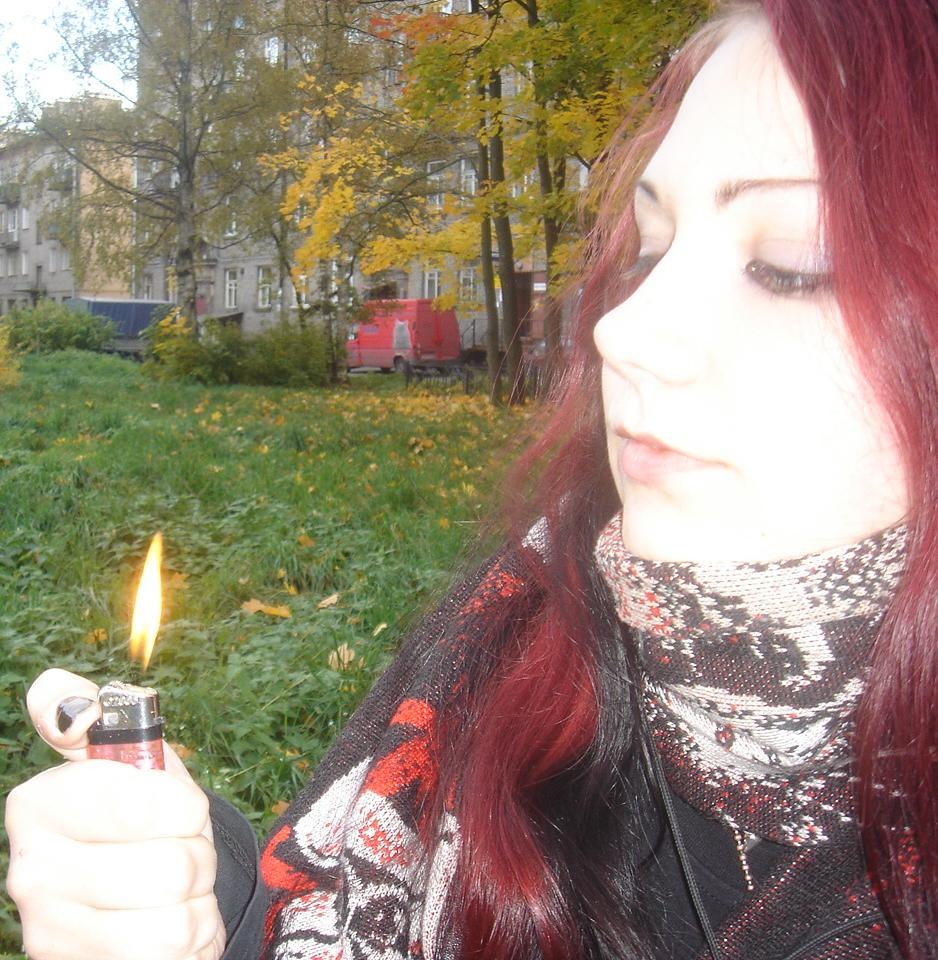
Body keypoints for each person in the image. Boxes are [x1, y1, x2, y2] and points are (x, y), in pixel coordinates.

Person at [6, 0, 938, 957]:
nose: (621, 330)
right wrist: (210, 908)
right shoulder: (521, 636)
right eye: (652, 252)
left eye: (791, 264)